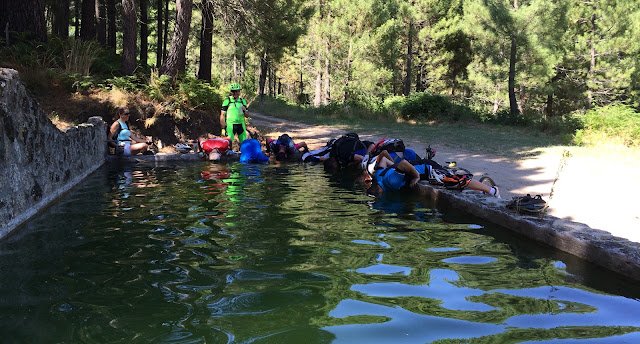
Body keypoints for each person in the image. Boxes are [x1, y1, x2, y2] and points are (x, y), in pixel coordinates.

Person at [362, 150, 500, 197]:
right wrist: (393, 167)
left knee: (456, 182)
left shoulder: (392, 181)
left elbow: (403, 163)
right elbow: (384, 156)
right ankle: (482, 190)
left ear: (380, 192)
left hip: (427, 169)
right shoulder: (378, 175)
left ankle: (492, 190)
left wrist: (415, 176)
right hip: (421, 164)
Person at [220, 83, 250, 150]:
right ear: (231, 92)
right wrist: (223, 128)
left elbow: (247, 116)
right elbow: (222, 115)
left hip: (241, 124)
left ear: (239, 91)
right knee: (228, 144)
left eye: (237, 91)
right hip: (230, 125)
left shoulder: (242, 101)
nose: (235, 93)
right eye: (233, 91)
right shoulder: (227, 101)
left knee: (244, 144)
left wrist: (244, 110)